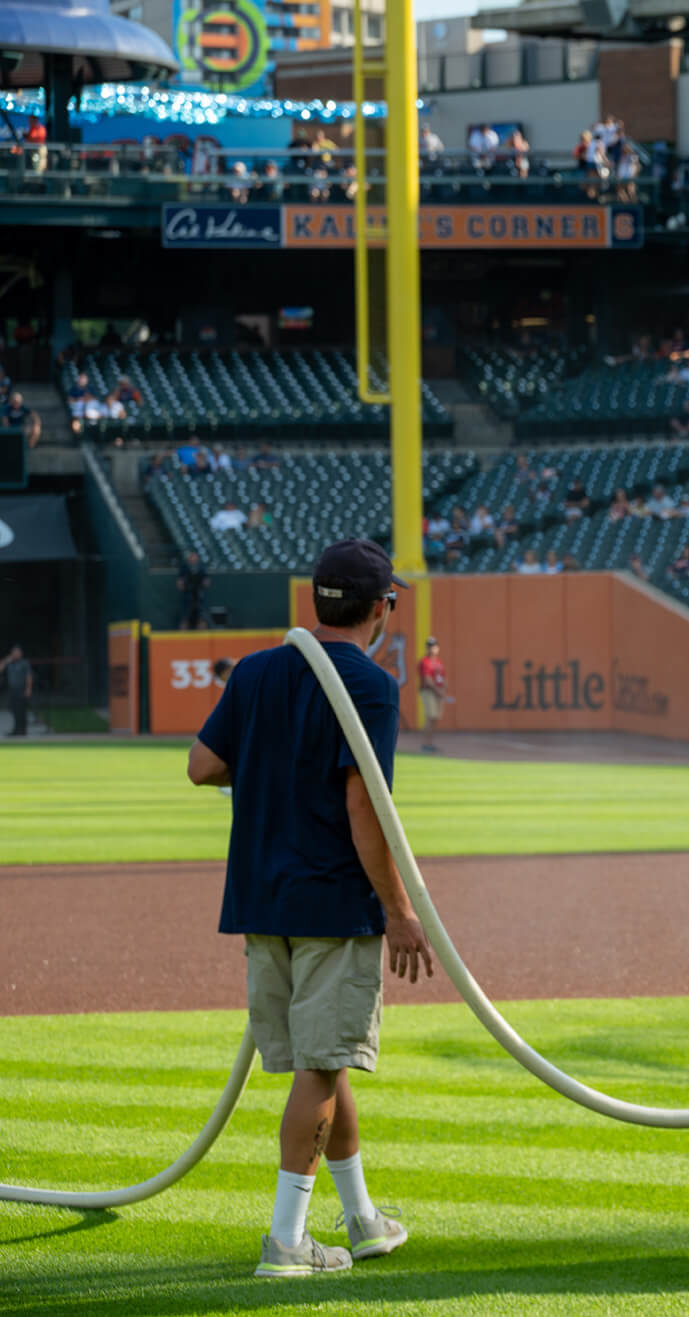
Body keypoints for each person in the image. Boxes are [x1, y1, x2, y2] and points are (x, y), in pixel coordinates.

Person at [186, 538, 434, 1277]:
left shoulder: (259, 670)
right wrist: (399, 908)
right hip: (334, 900)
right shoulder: (372, 684)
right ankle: (287, 1241)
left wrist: (272, 762)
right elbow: (365, 804)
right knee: (323, 1067)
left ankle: (361, 1220)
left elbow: (203, 765)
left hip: (263, 899)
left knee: (324, 1065)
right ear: (382, 606)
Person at [418, 637, 447, 755]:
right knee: (430, 717)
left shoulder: (439, 662)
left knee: (435, 718)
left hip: (438, 692)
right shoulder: (425, 661)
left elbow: (443, 677)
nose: (432, 648)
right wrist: (437, 690)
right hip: (429, 691)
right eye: (430, 646)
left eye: (434, 646)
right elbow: (427, 679)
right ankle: (426, 744)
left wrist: (443, 690)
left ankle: (431, 743)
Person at [3, 644, 31, 736]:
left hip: (21, 689)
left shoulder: (24, 663)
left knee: (22, 710)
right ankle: (16, 730)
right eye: (13, 652)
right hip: (12, 689)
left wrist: (28, 689)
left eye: (17, 652)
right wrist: (6, 661)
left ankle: (23, 730)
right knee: (14, 710)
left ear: (21, 654)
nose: (15, 654)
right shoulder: (9, 663)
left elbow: (28, 677)